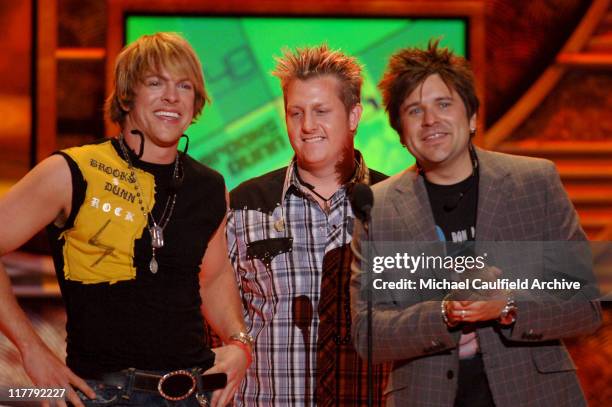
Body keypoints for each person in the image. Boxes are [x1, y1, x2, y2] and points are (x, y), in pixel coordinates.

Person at [0, 32, 250, 407]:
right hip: (101, 394)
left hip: (193, 393)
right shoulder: (70, 172)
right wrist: (32, 351)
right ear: (126, 95)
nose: (172, 96)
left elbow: (212, 277)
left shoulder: (209, 186)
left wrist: (239, 343)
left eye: (184, 86)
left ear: (196, 101)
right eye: (155, 83)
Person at [350, 40, 602, 407]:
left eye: (443, 104)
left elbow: (586, 305)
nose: (430, 120)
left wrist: (507, 305)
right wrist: (445, 312)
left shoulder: (534, 182)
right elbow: (366, 334)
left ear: (471, 118)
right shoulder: (379, 207)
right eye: (414, 110)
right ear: (401, 134)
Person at [227, 44, 388, 406]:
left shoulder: (398, 202)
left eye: (321, 111)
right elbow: (213, 319)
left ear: (353, 116)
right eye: (295, 113)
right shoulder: (243, 205)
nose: (307, 126)